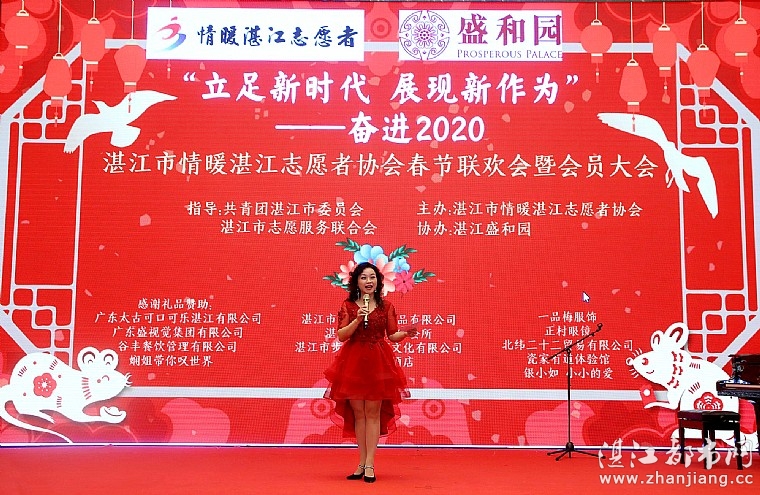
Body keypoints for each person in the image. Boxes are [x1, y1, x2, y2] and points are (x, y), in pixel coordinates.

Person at [323, 261, 417, 483]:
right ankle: (361, 462)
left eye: (372, 277)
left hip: (378, 363)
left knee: (373, 414)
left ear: (378, 281)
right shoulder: (348, 306)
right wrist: (358, 318)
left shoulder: (387, 307)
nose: (368, 281)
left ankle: (370, 463)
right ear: (356, 281)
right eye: (364, 277)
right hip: (354, 363)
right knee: (359, 415)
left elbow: (392, 335)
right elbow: (342, 335)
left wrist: (405, 334)